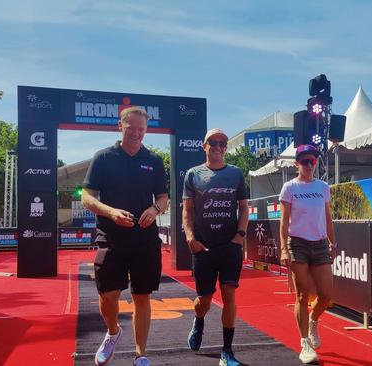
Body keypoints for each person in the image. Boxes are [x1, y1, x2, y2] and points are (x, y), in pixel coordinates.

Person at [82, 106, 169, 366]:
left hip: (145, 239)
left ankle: (141, 354)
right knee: (108, 296)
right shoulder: (103, 158)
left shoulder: (153, 160)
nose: (136, 134)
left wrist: (154, 209)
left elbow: (163, 198)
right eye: (131, 128)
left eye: (141, 129)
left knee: (142, 296)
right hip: (111, 237)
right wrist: (110, 212)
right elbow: (87, 197)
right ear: (120, 126)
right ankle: (112, 332)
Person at [182, 128, 249, 366]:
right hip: (203, 247)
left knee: (229, 293)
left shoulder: (236, 173)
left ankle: (227, 352)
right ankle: (198, 321)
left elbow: (244, 208)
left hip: (230, 245)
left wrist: (240, 236)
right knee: (205, 299)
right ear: (204, 145)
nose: (219, 147)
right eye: (214, 142)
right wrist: (190, 238)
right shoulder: (192, 174)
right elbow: (187, 211)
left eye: (223, 143)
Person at [279, 144, 336, 364]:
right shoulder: (289, 187)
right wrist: (284, 248)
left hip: (320, 244)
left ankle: (313, 320)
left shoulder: (323, 187)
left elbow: (328, 218)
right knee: (302, 296)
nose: (310, 165)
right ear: (297, 164)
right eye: (305, 162)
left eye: (313, 161)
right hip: (298, 244)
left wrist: (333, 242)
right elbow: (284, 223)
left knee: (326, 295)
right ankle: (304, 343)